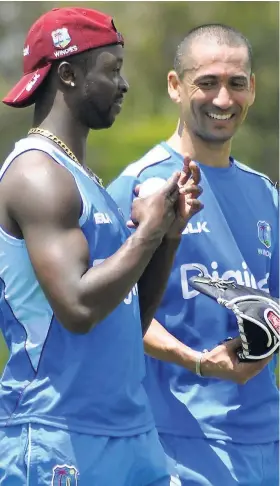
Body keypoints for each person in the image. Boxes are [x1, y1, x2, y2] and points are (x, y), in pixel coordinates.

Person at [0, 7, 204, 486]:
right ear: (67, 75)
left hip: (129, 434)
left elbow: (128, 321)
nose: (124, 84)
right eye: (111, 70)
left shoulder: (84, 180)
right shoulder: (37, 174)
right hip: (58, 436)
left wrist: (168, 234)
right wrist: (146, 232)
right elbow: (77, 307)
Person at [108, 24, 279, 486]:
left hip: (267, 443)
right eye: (207, 82)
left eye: (236, 84)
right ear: (174, 86)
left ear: (252, 90)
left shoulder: (265, 193)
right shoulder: (137, 186)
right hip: (177, 446)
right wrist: (197, 361)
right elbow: (111, 313)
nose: (223, 99)